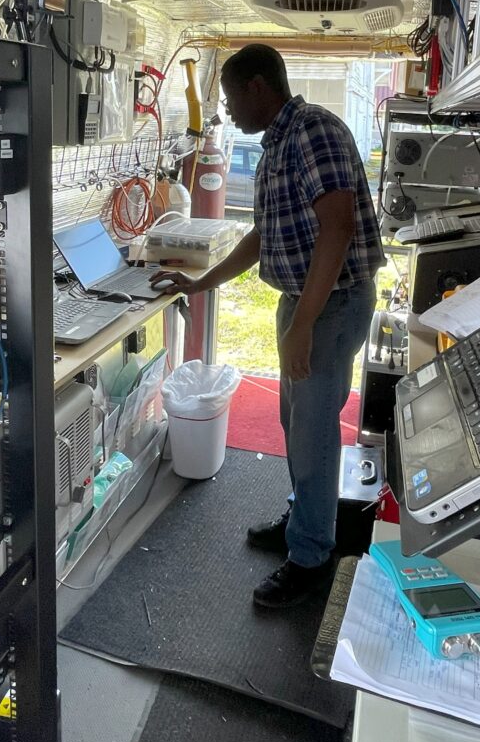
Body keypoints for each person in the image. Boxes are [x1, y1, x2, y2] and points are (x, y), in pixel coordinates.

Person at [151, 43, 385, 608]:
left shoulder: (312, 131)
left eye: (231, 98)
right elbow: (263, 235)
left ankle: (311, 558)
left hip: (329, 305)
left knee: (312, 431)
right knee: (295, 421)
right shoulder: (279, 143)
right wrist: (200, 283)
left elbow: (337, 230)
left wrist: (303, 324)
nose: (227, 111)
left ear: (259, 87)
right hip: (305, 305)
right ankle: (305, 520)